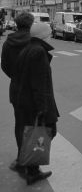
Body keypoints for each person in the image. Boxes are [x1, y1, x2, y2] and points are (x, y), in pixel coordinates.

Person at [15, 22, 59, 185]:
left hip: (25, 101)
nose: (51, 35)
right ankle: (28, 167)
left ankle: (30, 168)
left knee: (38, 135)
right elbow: (39, 83)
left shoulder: (27, 49)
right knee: (47, 132)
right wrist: (42, 108)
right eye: (49, 33)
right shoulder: (39, 52)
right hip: (37, 104)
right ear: (43, 35)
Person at [1, 12, 35, 175]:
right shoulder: (34, 42)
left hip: (16, 89)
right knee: (34, 126)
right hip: (33, 89)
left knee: (20, 124)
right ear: (30, 25)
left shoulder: (9, 42)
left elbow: (4, 65)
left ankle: (21, 156)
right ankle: (31, 163)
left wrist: (15, 77)